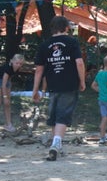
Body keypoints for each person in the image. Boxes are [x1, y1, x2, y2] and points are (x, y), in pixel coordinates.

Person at [32, 16, 87, 161]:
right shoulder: (72, 42)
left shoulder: (45, 45)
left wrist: (35, 89)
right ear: (66, 27)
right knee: (63, 115)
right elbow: (79, 62)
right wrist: (82, 80)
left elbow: (39, 70)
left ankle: (57, 145)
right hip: (69, 83)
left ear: (52, 28)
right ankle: (56, 144)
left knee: (55, 116)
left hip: (52, 84)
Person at [0, 54, 25, 133]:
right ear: (12, 61)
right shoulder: (8, 68)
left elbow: (9, 78)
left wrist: (8, 89)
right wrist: (5, 96)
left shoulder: (17, 69)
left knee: (7, 104)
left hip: (7, 81)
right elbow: (3, 84)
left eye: (20, 64)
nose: (18, 65)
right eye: (17, 63)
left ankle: (8, 124)